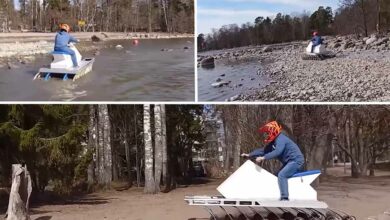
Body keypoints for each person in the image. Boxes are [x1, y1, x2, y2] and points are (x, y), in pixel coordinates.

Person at [241, 121, 304, 201]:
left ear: (273, 131)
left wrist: (263, 158)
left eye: (267, 133)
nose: (266, 135)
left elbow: (278, 151)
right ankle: (276, 195)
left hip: (296, 161)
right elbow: (263, 151)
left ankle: (285, 198)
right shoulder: (274, 142)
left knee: (282, 175)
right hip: (289, 162)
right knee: (275, 175)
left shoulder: (281, 139)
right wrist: (249, 155)